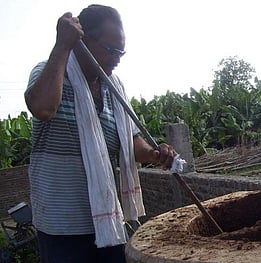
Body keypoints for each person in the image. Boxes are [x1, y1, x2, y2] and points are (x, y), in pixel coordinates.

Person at [24, 5, 176, 263]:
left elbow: (131, 142)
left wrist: (154, 153)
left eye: (122, 51)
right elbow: (43, 108)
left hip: (106, 218)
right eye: (111, 50)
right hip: (61, 225)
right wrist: (62, 46)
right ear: (82, 41)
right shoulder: (49, 73)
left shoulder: (114, 88)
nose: (118, 58)